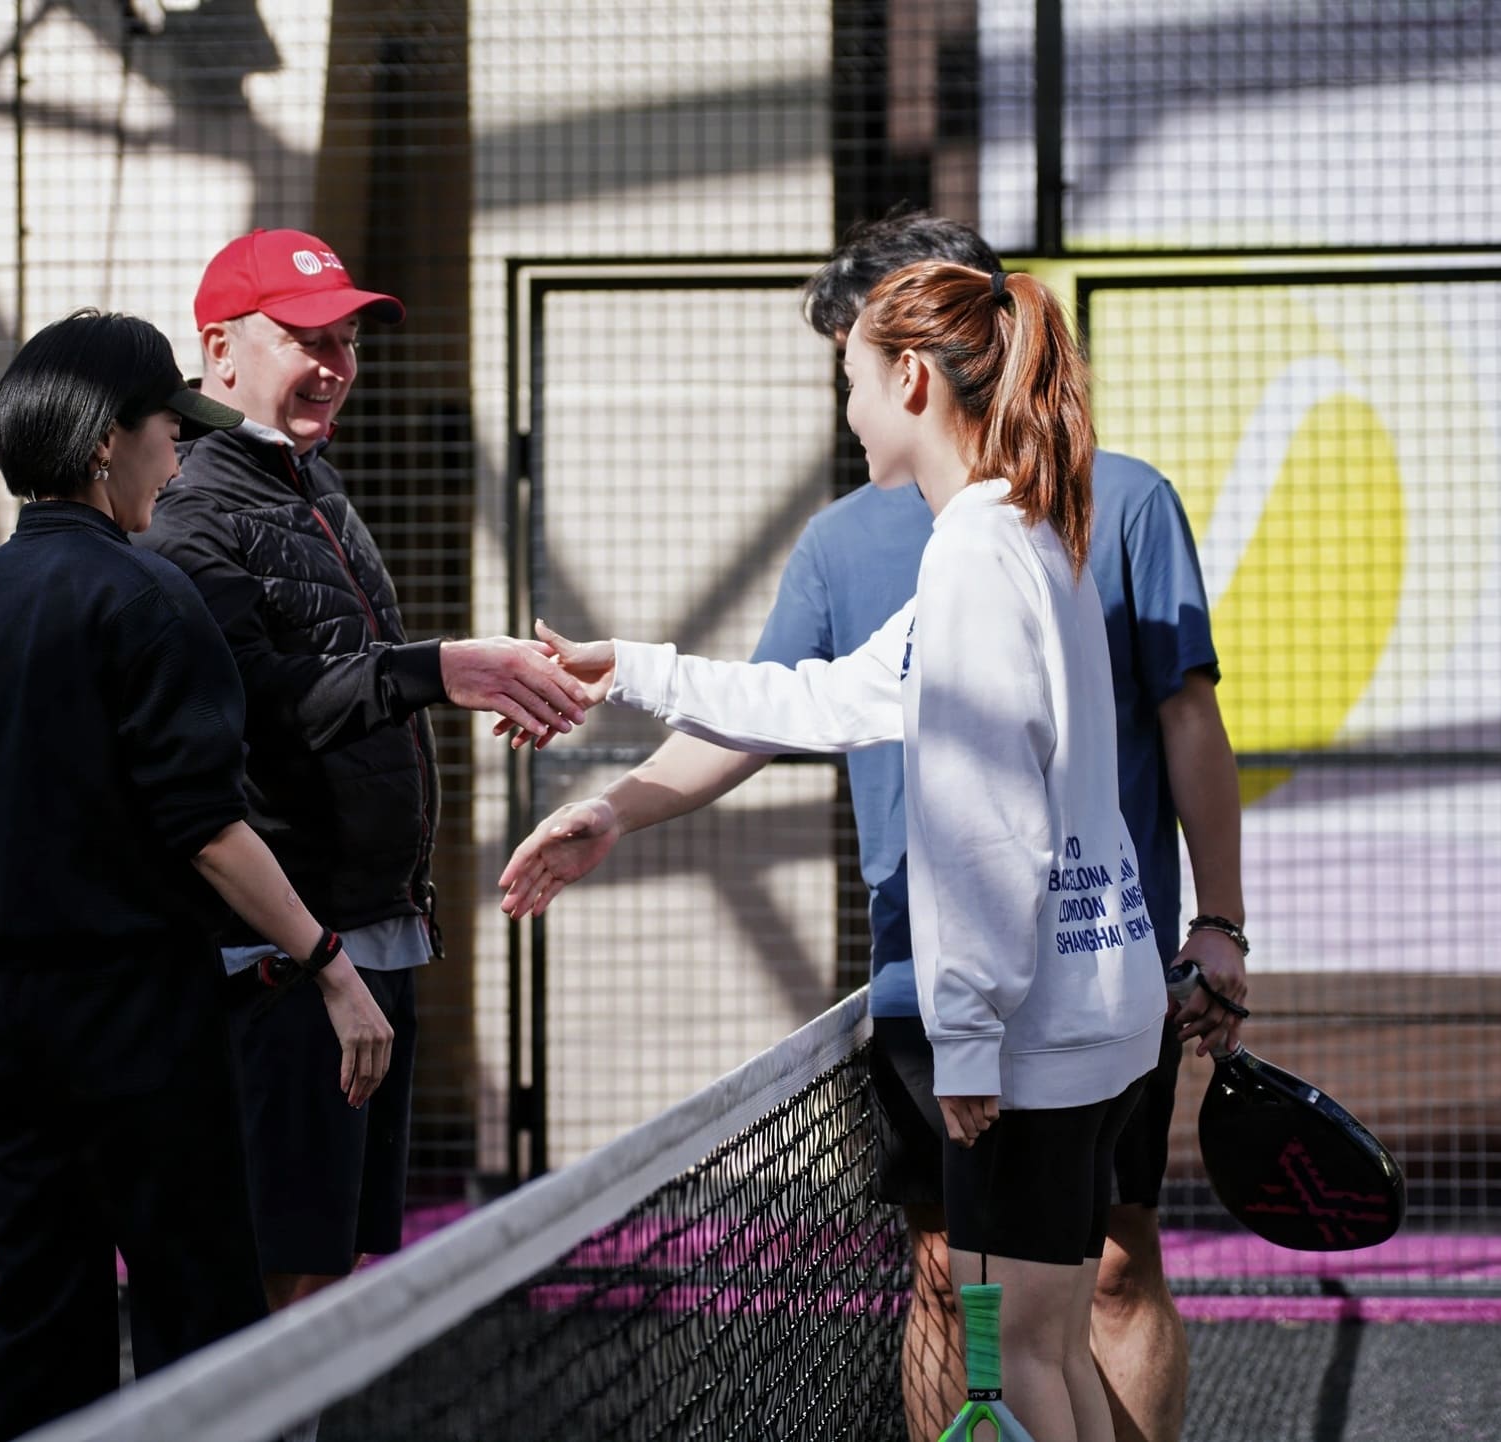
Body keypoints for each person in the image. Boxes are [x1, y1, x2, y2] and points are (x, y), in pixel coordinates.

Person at [497, 214, 1248, 1442]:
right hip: (1066, 1015)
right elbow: (824, 696)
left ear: (908, 372)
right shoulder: (1017, 528)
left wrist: (961, 1039)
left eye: (848, 374)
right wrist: (626, 673)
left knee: (1032, 1361)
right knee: (1031, 1341)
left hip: (1013, 1038)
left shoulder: (979, 553)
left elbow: (985, 831)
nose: (842, 410)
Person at [0, 309, 394, 1442]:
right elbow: (207, 828)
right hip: (146, 1019)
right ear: (108, 441)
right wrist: (329, 962)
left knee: (39, 1313)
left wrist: (41, 844)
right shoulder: (147, 598)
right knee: (195, 1309)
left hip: (14, 1023)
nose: (180, 455)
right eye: (169, 428)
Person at [136, 229, 590, 1320]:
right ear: (220, 350)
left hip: (365, 936)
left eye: (345, 339)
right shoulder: (196, 509)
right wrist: (439, 668)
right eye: (307, 338)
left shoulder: (310, 478)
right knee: (271, 1272)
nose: (335, 362)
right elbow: (259, 704)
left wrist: (442, 671)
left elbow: (338, 678)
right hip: (287, 955)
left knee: (317, 1264)